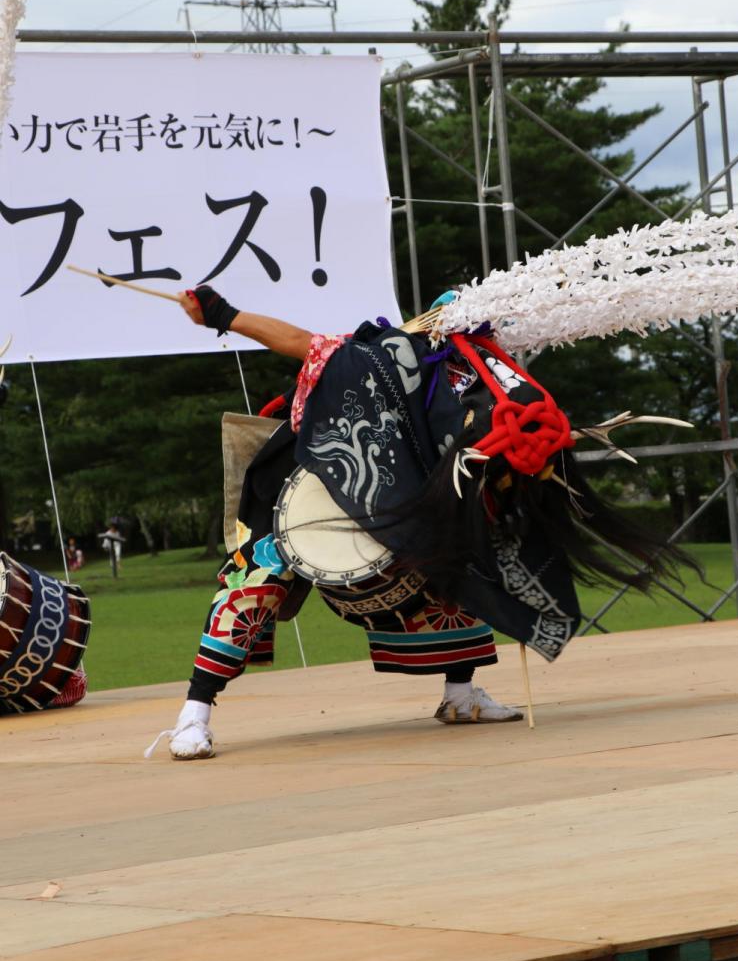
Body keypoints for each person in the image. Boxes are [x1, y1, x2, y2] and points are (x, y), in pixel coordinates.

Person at [147, 285, 686, 761]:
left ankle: (460, 694)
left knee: (459, 556)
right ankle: (195, 713)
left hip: (401, 507)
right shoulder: (378, 355)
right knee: (253, 583)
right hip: (313, 493)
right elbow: (298, 341)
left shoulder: (472, 379)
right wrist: (224, 313)